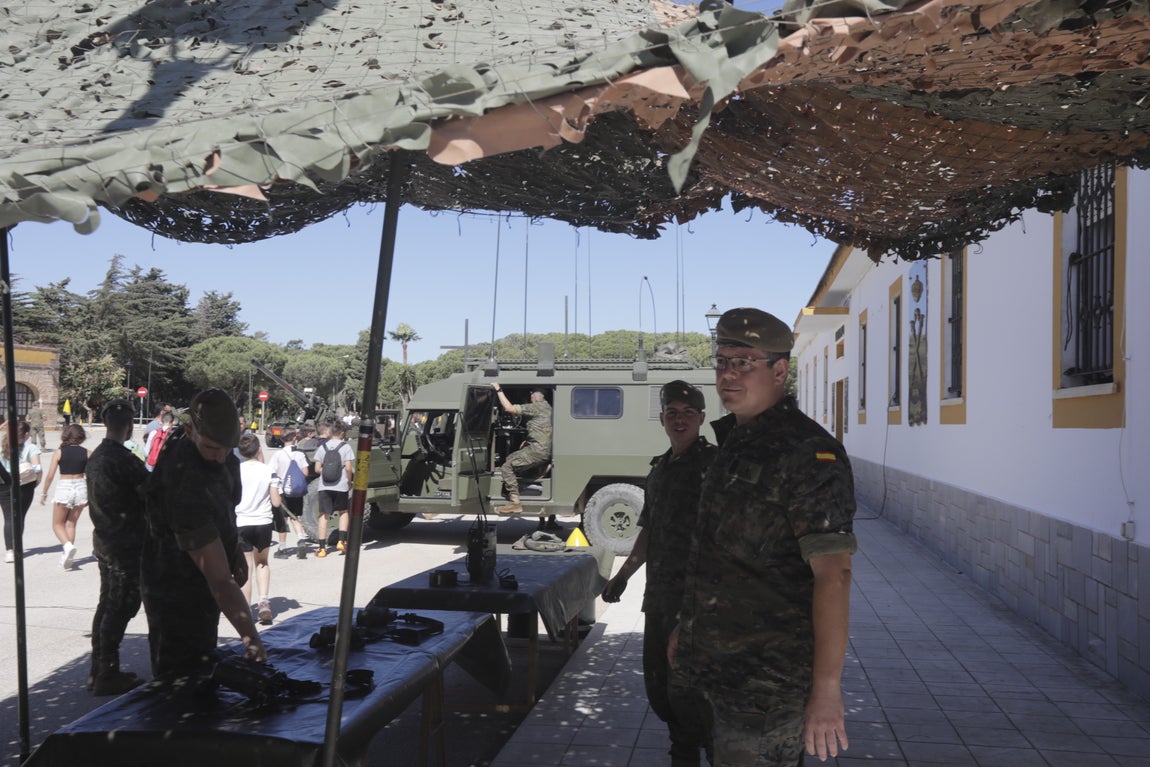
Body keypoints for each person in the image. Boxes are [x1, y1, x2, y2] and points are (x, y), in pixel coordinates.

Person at [670, 308, 857, 766]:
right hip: (714, 670)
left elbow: (834, 575)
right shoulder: (735, 442)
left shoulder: (808, 453)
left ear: (779, 370)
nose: (728, 374)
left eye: (744, 362)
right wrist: (686, 627)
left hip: (766, 685)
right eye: (722, 362)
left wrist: (827, 690)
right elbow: (720, 559)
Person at [603, 380, 716, 766]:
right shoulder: (661, 468)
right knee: (662, 688)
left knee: (697, 696)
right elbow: (650, 529)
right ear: (662, 419)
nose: (679, 420)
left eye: (688, 413)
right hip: (660, 601)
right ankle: (683, 755)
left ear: (702, 417)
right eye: (672, 413)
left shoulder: (714, 466)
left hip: (699, 603)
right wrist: (624, 574)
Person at [140, 388, 266, 682]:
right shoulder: (183, 481)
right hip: (175, 588)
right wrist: (251, 639)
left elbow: (226, 510)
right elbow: (219, 580)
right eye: (212, 448)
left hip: (207, 576)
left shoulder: (222, 454)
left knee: (207, 659)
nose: (221, 457)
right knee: (183, 676)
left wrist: (233, 550)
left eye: (227, 448)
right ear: (189, 431)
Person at [85, 399, 149, 695]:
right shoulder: (124, 459)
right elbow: (151, 493)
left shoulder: (97, 456)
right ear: (130, 425)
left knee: (107, 603)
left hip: (105, 539)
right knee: (121, 605)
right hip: (126, 544)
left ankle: (98, 668)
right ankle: (107, 673)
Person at [490, 383, 552, 525]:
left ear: (533, 397)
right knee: (512, 457)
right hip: (545, 450)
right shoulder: (548, 408)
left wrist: (498, 389)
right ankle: (540, 470)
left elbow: (509, 408)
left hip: (537, 451)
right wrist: (527, 441)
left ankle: (515, 502)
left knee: (507, 466)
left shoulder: (535, 407)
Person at [234, 433, 280, 625]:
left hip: (241, 521)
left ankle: (246, 609)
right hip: (263, 522)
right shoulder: (268, 471)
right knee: (262, 562)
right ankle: (264, 603)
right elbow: (276, 502)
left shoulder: (236, 471)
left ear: (240, 452)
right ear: (259, 450)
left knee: (245, 567)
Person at [40, 423, 91, 569]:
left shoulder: (59, 452)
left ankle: (67, 547)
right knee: (71, 523)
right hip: (81, 485)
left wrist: (44, 492)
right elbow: (92, 475)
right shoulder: (88, 453)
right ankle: (67, 557)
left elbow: (50, 475)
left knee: (57, 524)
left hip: (65, 486)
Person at [0, 420, 41, 564]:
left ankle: (9, 551)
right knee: (20, 517)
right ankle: (17, 547)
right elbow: (37, 468)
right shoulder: (31, 447)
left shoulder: (2, 445)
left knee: (8, 517)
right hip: (25, 485)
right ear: (27, 434)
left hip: (4, 484)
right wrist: (37, 481)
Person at [312, 421, 354, 558]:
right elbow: (348, 468)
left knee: (323, 515)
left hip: (324, 485)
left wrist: (327, 471)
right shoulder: (346, 447)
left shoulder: (322, 447)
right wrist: (349, 481)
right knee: (343, 512)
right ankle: (342, 541)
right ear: (342, 433)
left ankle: (322, 548)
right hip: (341, 486)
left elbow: (317, 469)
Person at [268, 428, 310, 559]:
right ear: (295, 438)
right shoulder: (300, 454)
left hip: (282, 491)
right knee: (295, 517)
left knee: (283, 520)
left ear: (281, 439)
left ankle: (282, 549)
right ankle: (301, 539)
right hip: (296, 491)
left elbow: (271, 472)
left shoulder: (278, 455)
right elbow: (306, 473)